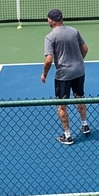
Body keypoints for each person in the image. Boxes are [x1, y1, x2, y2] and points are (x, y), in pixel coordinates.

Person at [40, 8, 90, 145]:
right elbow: (85, 49)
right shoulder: (74, 31)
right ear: (61, 19)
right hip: (79, 71)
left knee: (61, 105)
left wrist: (44, 74)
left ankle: (67, 135)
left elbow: (49, 59)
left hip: (63, 75)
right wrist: (78, 62)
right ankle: (84, 124)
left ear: (50, 20)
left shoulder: (50, 37)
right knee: (79, 97)